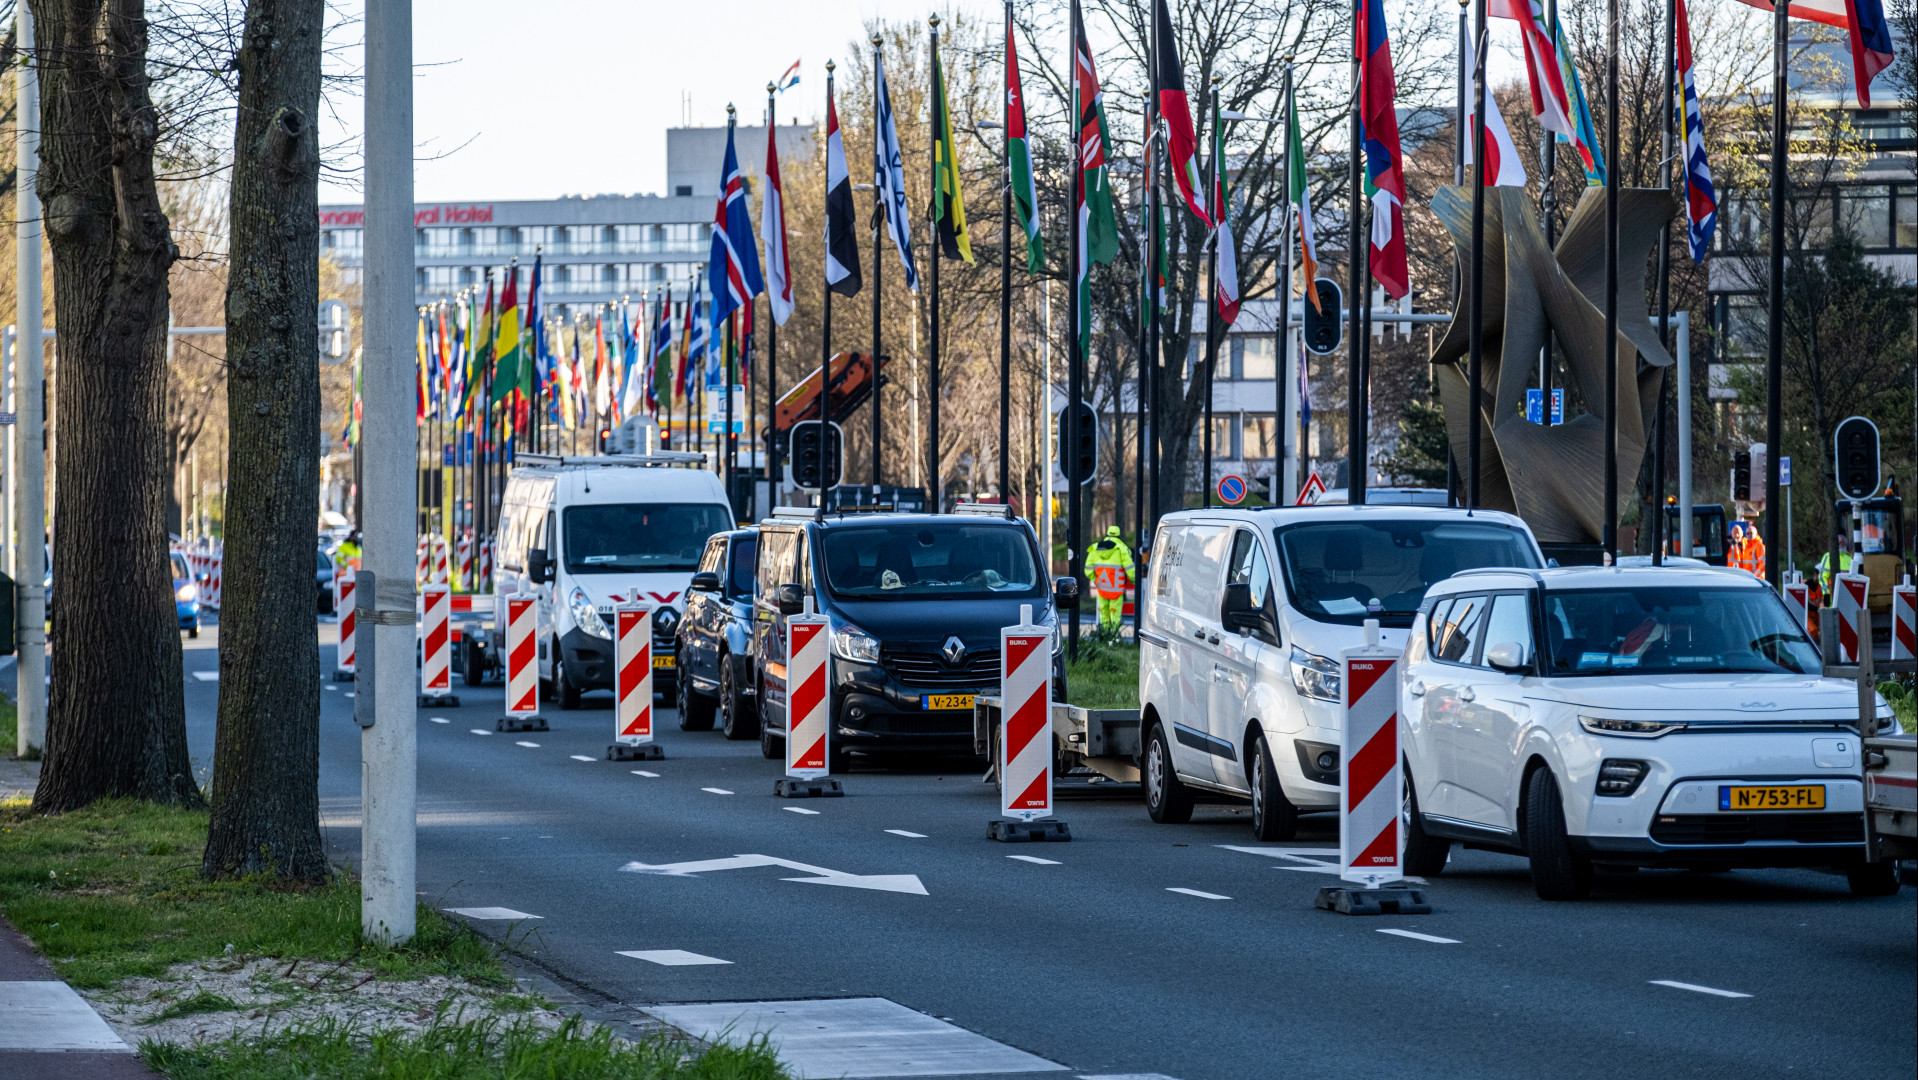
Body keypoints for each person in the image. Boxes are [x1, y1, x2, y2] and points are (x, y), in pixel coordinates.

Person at [1084, 525, 1135, 638]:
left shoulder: (1096, 547)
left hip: (1102, 588)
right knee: (1115, 615)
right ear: (1119, 535)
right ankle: (1113, 636)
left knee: (1104, 613)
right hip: (1116, 589)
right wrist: (1132, 580)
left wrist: (1095, 579)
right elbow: (1130, 569)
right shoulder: (1121, 548)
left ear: (1107, 534)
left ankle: (1104, 635)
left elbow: (1088, 569)